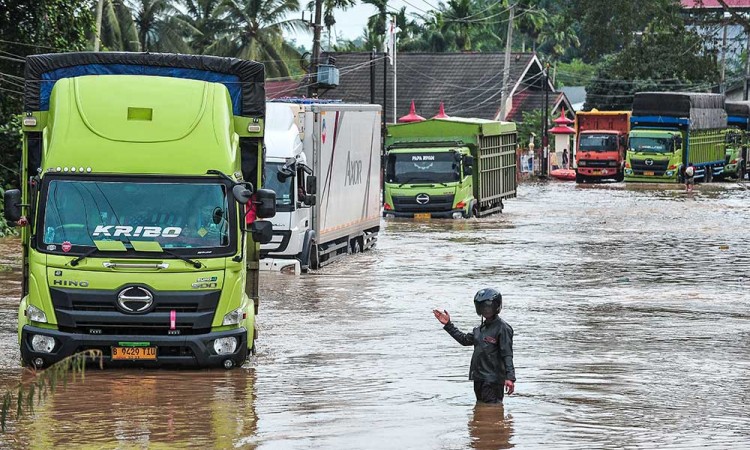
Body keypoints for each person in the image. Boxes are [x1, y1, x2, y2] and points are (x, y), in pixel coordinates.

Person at [433, 288, 516, 404]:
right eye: (482, 307)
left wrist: (510, 378)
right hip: (478, 378)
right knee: (480, 410)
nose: (485, 310)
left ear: (495, 306)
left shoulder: (503, 328)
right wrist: (448, 325)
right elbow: (464, 340)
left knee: (492, 409)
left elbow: (507, 354)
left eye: (488, 306)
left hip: (493, 380)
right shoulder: (480, 329)